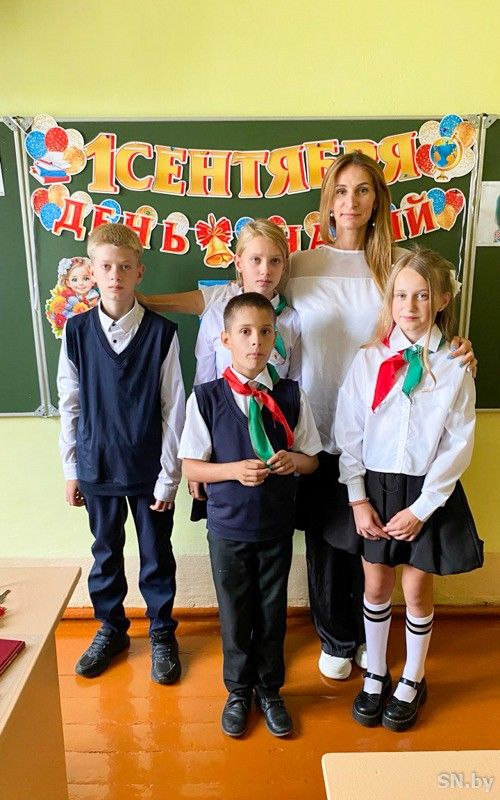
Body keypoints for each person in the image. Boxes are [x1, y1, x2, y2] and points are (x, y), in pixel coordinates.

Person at [138, 151, 475, 681]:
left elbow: (427, 317)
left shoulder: (398, 264)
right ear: (327, 201)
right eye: (340, 190)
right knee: (328, 540)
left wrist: (459, 346)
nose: (351, 202)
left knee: (375, 542)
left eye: (362, 190)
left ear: (378, 200)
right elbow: (232, 300)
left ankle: (369, 638)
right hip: (312, 425)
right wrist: (138, 299)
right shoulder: (299, 264)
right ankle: (337, 637)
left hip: (383, 433)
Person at [335, 248, 483, 732]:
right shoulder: (368, 359)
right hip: (375, 487)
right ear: (390, 299)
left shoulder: (456, 365)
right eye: (401, 295)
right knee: (376, 584)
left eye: (422, 295)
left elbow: (457, 444)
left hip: (427, 493)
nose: (410, 306)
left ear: (442, 299)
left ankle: (413, 677)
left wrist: (423, 508)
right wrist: (358, 499)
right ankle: (376, 673)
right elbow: (349, 432)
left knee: (417, 589)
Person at [179, 293, 321, 737]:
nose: (255, 341)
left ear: (275, 338)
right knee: (235, 614)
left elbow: (312, 460)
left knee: (272, 611)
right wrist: (232, 471)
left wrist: (293, 461)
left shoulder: (291, 396)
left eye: (264, 331)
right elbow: (191, 467)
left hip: (275, 526)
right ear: (226, 339)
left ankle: (271, 690)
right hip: (228, 528)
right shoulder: (205, 398)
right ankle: (239, 691)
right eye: (244, 332)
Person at [57, 223, 185, 684]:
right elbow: (69, 403)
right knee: (105, 554)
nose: (115, 275)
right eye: (106, 267)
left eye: (125, 267)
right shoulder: (76, 332)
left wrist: (169, 477)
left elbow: (174, 408)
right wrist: (71, 468)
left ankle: (162, 633)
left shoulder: (161, 333)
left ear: (139, 272)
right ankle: (111, 629)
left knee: (156, 555)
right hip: (97, 466)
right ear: (91, 271)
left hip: (149, 470)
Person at [194, 218, 301, 385]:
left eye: (275, 261)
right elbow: (204, 383)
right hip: (225, 402)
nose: (265, 270)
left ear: (284, 265)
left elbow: (297, 385)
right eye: (255, 259)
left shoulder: (294, 321)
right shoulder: (216, 316)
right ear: (238, 263)